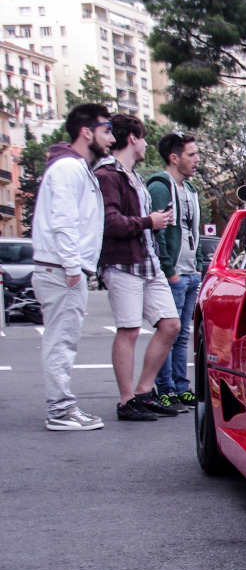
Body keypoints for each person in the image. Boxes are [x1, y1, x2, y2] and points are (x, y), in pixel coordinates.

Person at [30, 103, 114, 431]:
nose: (111, 137)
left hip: (61, 267)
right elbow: (65, 222)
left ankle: (61, 407)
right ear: (86, 131)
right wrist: (72, 268)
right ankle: (60, 411)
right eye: (106, 130)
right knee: (61, 339)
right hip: (60, 269)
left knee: (63, 338)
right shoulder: (68, 169)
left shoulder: (76, 167)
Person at [94, 114, 181, 422]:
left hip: (148, 262)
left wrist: (153, 220)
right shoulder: (107, 174)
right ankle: (126, 400)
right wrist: (149, 221)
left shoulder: (133, 176)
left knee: (170, 325)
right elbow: (110, 222)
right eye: (143, 138)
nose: (146, 144)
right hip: (122, 263)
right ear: (132, 138)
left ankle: (145, 391)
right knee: (129, 330)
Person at [149, 131, 202, 412]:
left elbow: (192, 232)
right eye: (191, 155)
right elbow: (157, 235)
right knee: (167, 332)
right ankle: (165, 388)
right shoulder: (160, 187)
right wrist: (170, 271)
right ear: (174, 157)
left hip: (190, 272)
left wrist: (199, 267)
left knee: (182, 335)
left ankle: (182, 388)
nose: (197, 160)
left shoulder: (191, 191)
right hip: (173, 274)